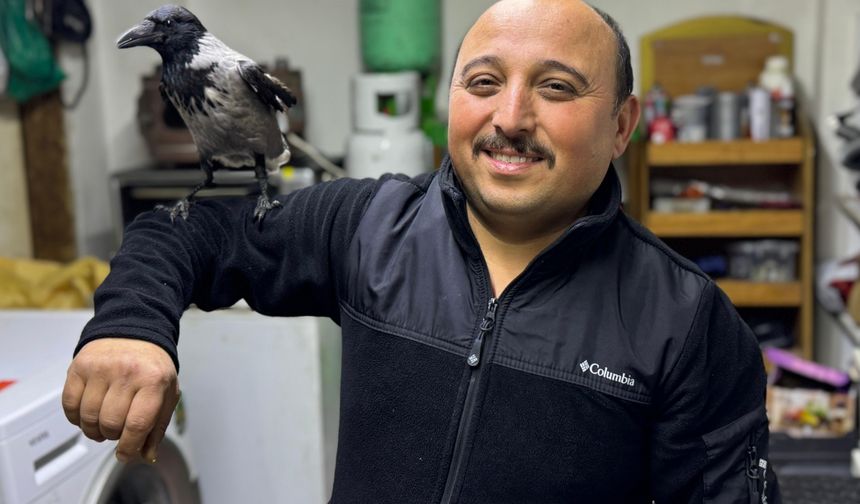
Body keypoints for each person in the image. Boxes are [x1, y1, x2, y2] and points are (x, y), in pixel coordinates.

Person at [63, 0, 781, 501]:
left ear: (623, 125)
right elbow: (182, 233)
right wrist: (130, 323)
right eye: (484, 82)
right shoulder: (369, 225)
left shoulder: (688, 323)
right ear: (452, 103)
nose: (510, 117)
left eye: (556, 87)